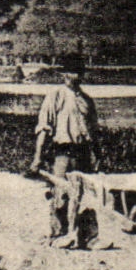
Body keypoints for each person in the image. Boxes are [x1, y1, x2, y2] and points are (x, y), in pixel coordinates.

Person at [27, 55, 98, 241]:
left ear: (81, 76)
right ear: (63, 74)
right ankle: (58, 232)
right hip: (62, 153)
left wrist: (95, 155)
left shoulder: (87, 101)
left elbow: (94, 132)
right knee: (61, 193)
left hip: (82, 152)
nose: (73, 76)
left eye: (77, 72)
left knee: (85, 195)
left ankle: (87, 236)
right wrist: (37, 157)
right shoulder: (55, 95)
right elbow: (43, 127)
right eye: (69, 72)